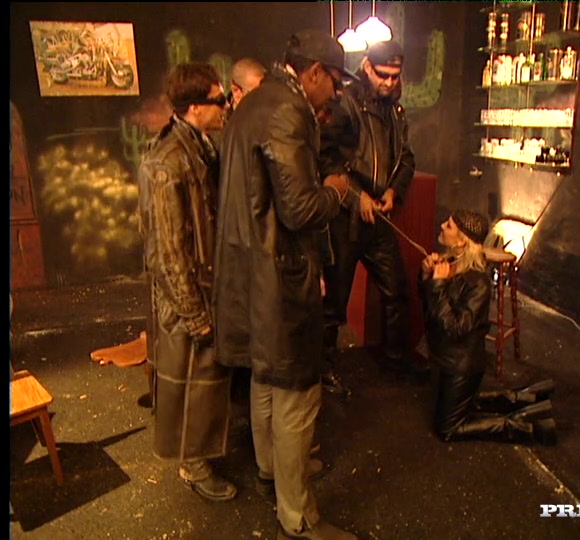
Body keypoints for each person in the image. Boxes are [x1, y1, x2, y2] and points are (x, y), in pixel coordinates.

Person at [212, 29, 358, 540]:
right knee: (297, 389)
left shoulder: (251, 103)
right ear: (314, 72)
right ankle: (298, 517)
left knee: (265, 376)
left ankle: (272, 469)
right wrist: (336, 191)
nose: (335, 94)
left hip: (248, 273)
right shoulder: (288, 111)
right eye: (335, 82)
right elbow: (300, 210)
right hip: (280, 274)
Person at [137, 62, 237, 502]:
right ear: (195, 107)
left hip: (206, 283)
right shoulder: (167, 162)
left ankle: (199, 456)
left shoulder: (199, 146)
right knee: (191, 384)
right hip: (188, 294)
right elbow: (167, 251)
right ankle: (193, 466)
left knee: (204, 382)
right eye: (219, 100)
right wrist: (195, 314)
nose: (225, 106)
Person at [319, 39, 427, 397]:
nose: (390, 82)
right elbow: (327, 160)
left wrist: (394, 191)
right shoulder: (345, 102)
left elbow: (406, 158)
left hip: (379, 215)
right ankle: (324, 368)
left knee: (398, 290)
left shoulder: (395, 110)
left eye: (396, 76)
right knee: (334, 302)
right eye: (384, 74)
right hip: (344, 219)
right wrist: (356, 196)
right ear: (367, 67)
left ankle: (396, 359)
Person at [418, 210, 557, 445]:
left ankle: (527, 428)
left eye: (449, 226)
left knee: (448, 428)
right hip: (446, 359)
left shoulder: (478, 282)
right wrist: (426, 275)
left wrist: (438, 285)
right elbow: (430, 309)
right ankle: (525, 398)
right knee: (469, 404)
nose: (442, 226)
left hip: (462, 366)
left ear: (462, 241)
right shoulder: (449, 263)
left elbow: (455, 328)